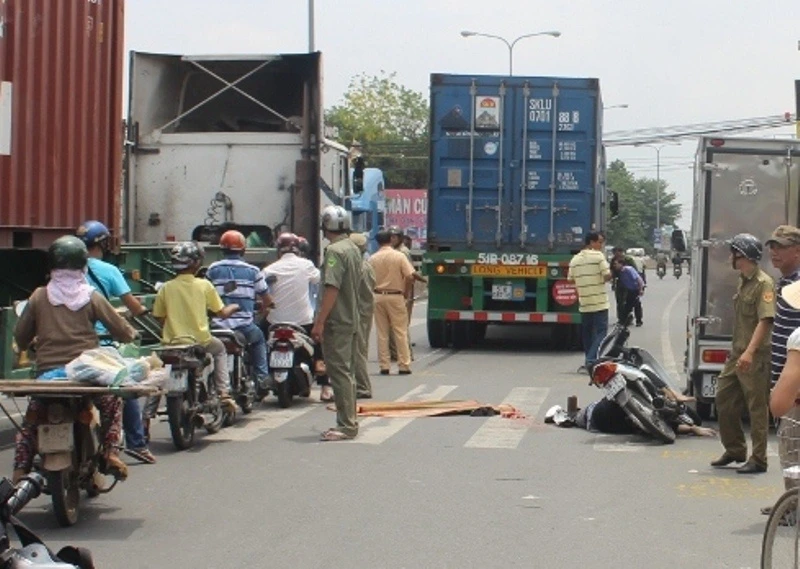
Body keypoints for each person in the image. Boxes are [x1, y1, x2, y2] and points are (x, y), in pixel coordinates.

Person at [13, 236, 138, 483]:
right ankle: (111, 452)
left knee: (32, 420)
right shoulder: (90, 296)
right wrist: (130, 333)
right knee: (112, 403)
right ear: (83, 265)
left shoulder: (39, 296)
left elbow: (21, 334)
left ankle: (19, 469)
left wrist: (28, 344)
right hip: (85, 373)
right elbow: (119, 329)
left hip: (48, 374)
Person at [75, 220, 156, 465]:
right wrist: (143, 314)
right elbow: (132, 307)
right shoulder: (108, 272)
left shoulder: (52, 283)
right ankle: (136, 443)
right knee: (125, 386)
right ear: (102, 244)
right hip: (101, 343)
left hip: (67, 350)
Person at [711, 233, 774, 474]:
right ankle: (735, 449)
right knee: (724, 399)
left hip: (754, 355)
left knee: (757, 408)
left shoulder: (763, 284)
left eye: (734, 252)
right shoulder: (743, 280)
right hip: (737, 353)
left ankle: (759, 459)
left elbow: (765, 320)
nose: (731, 257)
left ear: (743, 255)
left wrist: (749, 352)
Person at [152, 241, 239, 409]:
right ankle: (223, 392)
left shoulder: (165, 288)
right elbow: (221, 313)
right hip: (201, 341)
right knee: (220, 350)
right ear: (197, 263)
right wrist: (234, 307)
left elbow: (159, 316)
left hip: (172, 343)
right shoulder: (204, 285)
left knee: (161, 376)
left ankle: (147, 417)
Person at [311, 205, 363, 441]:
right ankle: (349, 420)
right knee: (347, 373)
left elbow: (332, 288)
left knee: (339, 373)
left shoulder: (334, 252)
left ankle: (346, 426)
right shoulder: (352, 248)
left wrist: (320, 322)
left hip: (337, 321)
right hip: (351, 318)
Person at [261, 233, 330, 401]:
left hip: (275, 322)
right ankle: (324, 382)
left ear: (279, 250)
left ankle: (259, 377)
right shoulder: (306, 265)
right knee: (319, 337)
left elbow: (262, 292)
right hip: (303, 321)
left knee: (260, 341)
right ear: (298, 250)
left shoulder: (269, 269)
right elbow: (319, 281)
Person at [206, 230, 272, 398]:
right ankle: (262, 377)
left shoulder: (213, 269)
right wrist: (264, 311)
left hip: (217, 327)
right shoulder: (253, 271)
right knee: (259, 340)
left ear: (222, 250)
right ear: (243, 250)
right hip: (244, 327)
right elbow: (266, 299)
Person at [763, 225, 800, 515]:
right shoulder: (784, 283)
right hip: (783, 377)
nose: (774, 252)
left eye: (781, 246)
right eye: (772, 246)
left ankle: (793, 507)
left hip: (794, 384)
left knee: (792, 447)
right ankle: (792, 504)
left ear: (797, 250)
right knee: (789, 445)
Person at [546, 392, 716, 438]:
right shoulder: (644, 406)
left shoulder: (654, 420)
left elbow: (677, 426)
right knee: (575, 417)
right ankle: (564, 414)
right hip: (594, 415)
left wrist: (693, 427)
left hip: (595, 417)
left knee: (575, 417)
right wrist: (694, 429)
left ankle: (566, 414)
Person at [371, 229, 415, 375]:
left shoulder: (372, 258)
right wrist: (406, 293)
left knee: (382, 332)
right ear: (391, 239)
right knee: (400, 331)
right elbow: (409, 276)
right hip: (396, 295)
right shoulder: (399, 256)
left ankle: (384, 365)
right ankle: (403, 365)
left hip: (378, 296)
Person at [568, 232, 612, 373]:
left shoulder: (575, 260)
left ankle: (589, 359)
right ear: (592, 243)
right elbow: (606, 275)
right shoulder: (598, 256)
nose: (601, 245)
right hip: (599, 302)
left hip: (585, 302)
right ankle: (591, 361)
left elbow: (570, 279)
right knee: (601, 333)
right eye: (599, 242)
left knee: (587, 334)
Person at [350, 233, 376, 399]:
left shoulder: (357, 267)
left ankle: (362, 386)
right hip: (364, 310)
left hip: (357, 311)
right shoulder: (367, 266)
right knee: (360, 348)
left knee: (357, 350)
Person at [611, 247, 643, 326]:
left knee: (634, 303)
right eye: (615, 253)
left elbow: (636, 275)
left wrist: (640, 288)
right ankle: (622, 319)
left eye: (618, 253)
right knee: (620, 302)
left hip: (631, 285)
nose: (617, 255)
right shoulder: (613, 260)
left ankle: (637, 320)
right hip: (620, 283)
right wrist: (613, 283)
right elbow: (612, 272)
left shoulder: (628, 261)